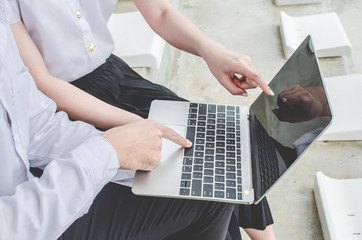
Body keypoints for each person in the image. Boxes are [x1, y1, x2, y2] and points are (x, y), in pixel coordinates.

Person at [9, 0, 276, 238]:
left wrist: (212, 51)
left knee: (222, 142)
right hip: (62, 99)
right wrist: (142, 123)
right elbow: (42, 84)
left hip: (111, 73)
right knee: (196, 174)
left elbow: (160, 11)